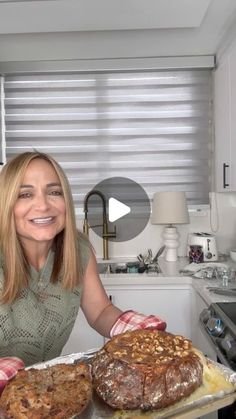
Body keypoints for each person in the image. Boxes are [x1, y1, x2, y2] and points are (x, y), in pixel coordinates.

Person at [0, 152, 166, 389]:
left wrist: (130, 327)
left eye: (54, 192)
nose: (43, 204)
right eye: (25, 194)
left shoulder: (78, 250)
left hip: (44, 392)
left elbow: (99, 312)